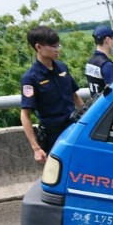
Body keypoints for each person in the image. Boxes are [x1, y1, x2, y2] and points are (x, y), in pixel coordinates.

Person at [20, 26, 84, 163]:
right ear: (38, 47)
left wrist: (87, 119)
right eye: (53, 46)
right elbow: (25, 114)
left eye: (58, 45)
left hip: (74, 126)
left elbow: (75, 97)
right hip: (53, 133)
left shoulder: (62, 67)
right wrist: (36, 148)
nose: (57, 49)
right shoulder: (30, 78)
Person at [85, 25, 113, 97]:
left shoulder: (90, 62)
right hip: (107, 107)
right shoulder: (106, 65)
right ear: (108, 40)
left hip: (95, 105)